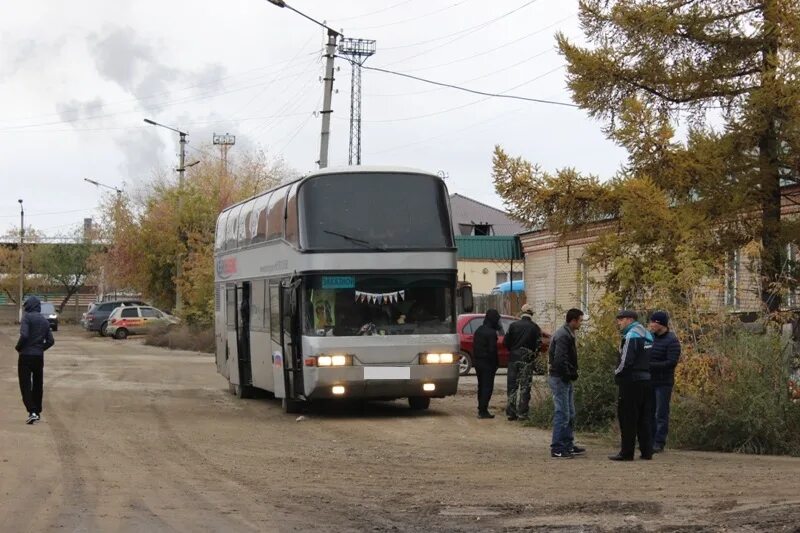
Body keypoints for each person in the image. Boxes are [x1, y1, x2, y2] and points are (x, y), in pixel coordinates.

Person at [610, 310, 654, 461]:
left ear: (629, 319)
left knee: (628, 417)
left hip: (631, 381)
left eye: (620, 320)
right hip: (647, 380)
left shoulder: (631, 335)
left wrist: (617, 373)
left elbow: (626, 360)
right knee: (644, 417)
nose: (619, 323)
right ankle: (647, 451)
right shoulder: (647, 334)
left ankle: (627, 452)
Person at [548, 308, 585, 458]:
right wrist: (568, 373)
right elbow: (559, 359)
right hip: (560, 378)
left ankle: (567, 444)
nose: (581, 323)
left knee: (569, 412)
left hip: (564, 378)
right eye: (580, 320)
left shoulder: (567, 333)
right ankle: (557, 447)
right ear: (573, 320)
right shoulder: (563, 335)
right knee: (562, 413)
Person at [15, 296, 55, 424]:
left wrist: (19, 347)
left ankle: (31, 411)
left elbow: (24, 335)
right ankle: (37, 411)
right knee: (38, 384)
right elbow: (51, 341)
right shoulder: (44, 321)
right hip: (38, 357)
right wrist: (40, 349)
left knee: (25, 384)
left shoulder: (27, 318)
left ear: (28, 306)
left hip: (25, 356)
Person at [648, 311, 681, 453]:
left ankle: (659, 442)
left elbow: (671, 362)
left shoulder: (672, 340)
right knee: (649, 412)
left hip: (663, 382)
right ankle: (649, 440)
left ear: (660, 324)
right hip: (650, 381)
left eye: (653, 322)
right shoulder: (650, 338)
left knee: (661, 413)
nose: (651, 325)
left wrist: (651, 365)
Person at [504, 304, 542, 421]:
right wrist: (532, 356)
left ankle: (511, 412)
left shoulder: (513, 325)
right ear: (531, 314)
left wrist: (513, 350)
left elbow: (506, 342)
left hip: (513, 359)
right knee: (525, 387)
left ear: (521, 313)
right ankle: (522, 413)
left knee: (512, 386)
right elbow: (538, 346)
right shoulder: (535, 328)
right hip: (527, 361)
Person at [472, 309, 501, 419]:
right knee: (487, 387)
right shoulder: (491, 333)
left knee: (481, 385)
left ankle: (481, 408)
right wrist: (496, 364)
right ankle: (483, 410)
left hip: (478, 362)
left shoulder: (479, 330)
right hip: (488, 363)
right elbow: (492, 351)